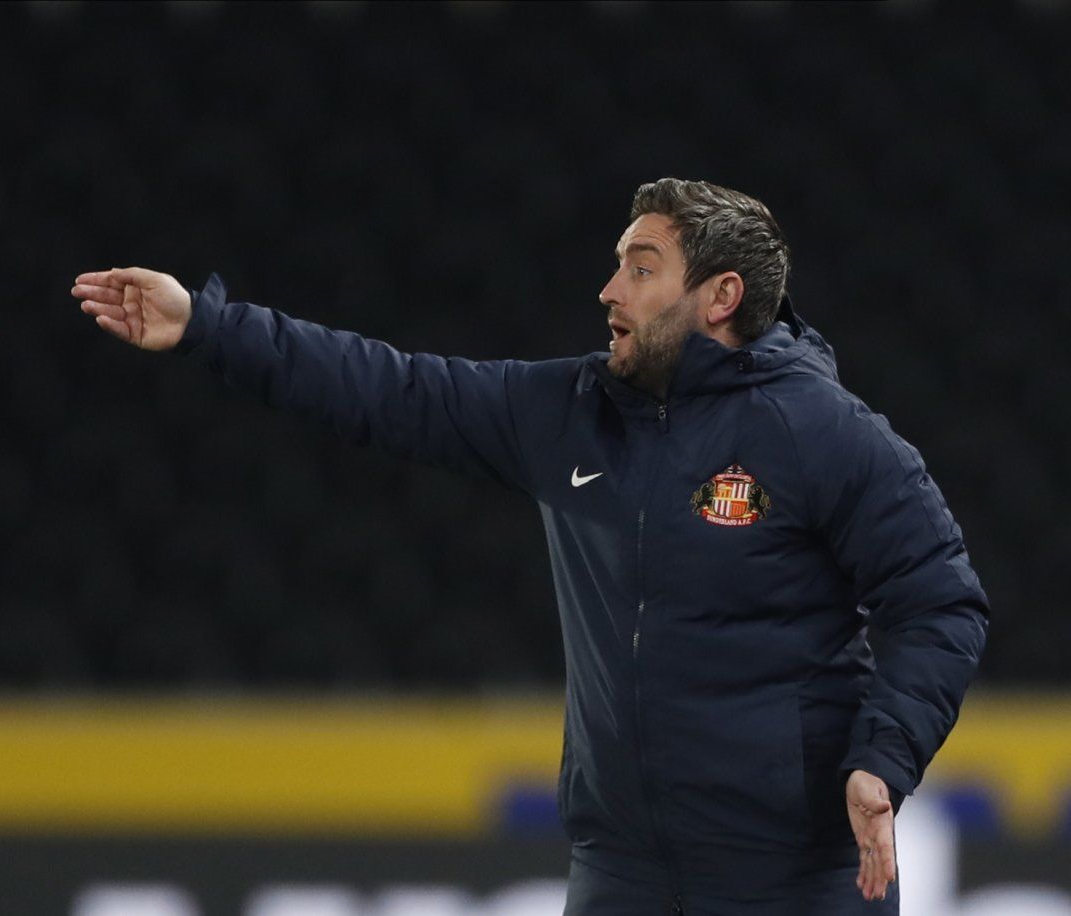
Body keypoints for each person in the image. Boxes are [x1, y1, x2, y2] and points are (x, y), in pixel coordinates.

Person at [70, 178, 988, 915]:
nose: (609, 291)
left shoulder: (821, 431)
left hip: (793, 880)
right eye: (616, 266)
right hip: (621, 876)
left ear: (720, 297)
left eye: (640, 268)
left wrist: (884, 757)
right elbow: (390, 389)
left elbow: (939, 599)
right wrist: (209, 327)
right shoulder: (569, 414)